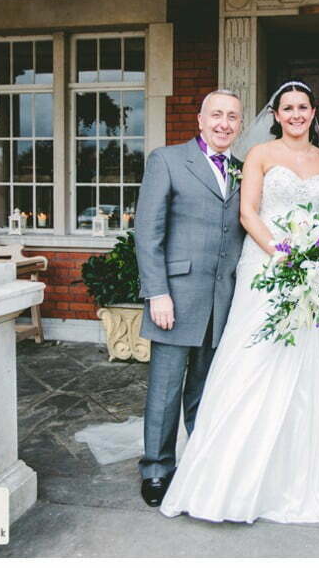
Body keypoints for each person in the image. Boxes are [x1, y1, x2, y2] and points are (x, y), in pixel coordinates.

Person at [159, 81, 319, 523]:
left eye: (303, 107)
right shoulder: (260, 156)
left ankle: (293, 473)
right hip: (267, 268)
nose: (295, 114)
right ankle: (227, 476)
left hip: (310, 275)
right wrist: (287, 254)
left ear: (312, 112)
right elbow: (248, 214)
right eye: (287, 108)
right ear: (275, 115)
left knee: (306, 369)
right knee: (253, 362)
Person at [134, 89, 245, 507]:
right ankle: (157, 468)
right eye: (216, 115)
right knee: (164, 390)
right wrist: (157, 292)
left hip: (223, 299)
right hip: (176, 297)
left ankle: (198, 464)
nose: (224, 124)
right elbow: (148, 233)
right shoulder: (166, 160)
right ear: (200, 119)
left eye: (232, 117)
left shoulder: (242, 168)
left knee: (205, 389)